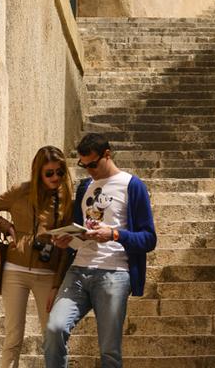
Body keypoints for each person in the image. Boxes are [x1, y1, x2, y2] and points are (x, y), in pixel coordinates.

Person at [44, 133, 157, 368]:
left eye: (93, 164)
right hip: (77, 271)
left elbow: (149, 239)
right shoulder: (85, 186)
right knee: (54, 328)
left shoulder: (132, 185)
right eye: (84, 166)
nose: (89, 170)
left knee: (109, 351)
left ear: (107, 155)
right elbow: (80, 231)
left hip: (113, 274)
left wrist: (115, 234)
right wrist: (68, 239)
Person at [0, 145, 75, 368]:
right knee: (13, 336)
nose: (55, 177)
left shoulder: (66, 199)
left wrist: (56, 285)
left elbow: (65, 251)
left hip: (47, 274)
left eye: (60, 172)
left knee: (52, 334)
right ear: (38, 172)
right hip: (15, 272)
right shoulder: (20, 191)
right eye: (49, 173)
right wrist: (5, 225)